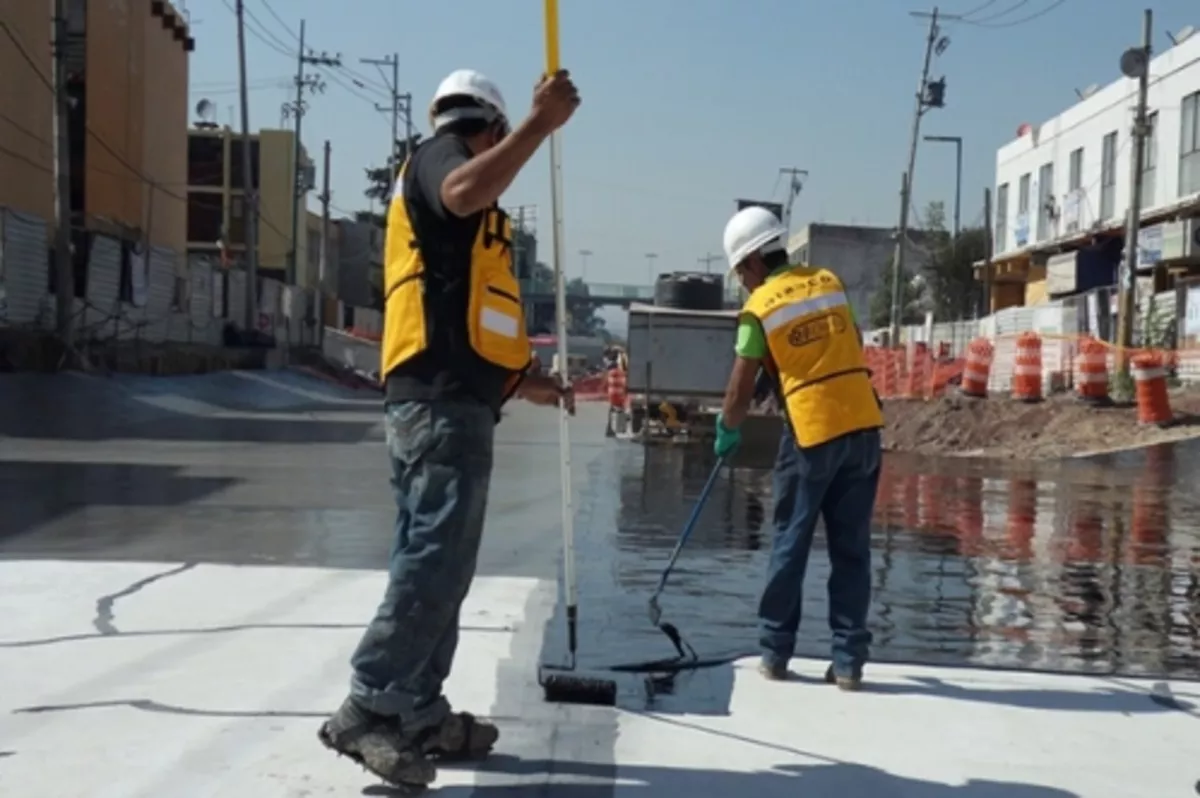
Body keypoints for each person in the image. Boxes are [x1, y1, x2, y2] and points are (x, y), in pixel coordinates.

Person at [318, 67, 581, 789]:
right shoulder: (443, 159)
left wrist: (532, 381)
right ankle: (371, 704)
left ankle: (418, 710)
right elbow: (466, 190)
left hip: (449, 398)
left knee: (443, 561)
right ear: (487, 127)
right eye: (504, 138)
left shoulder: (459, 215)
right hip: (436, 405)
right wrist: (542, 124)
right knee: (436, 559)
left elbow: (466, 323)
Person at [713, 206, 883, 692]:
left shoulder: (759, 307)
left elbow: (740, 385)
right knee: (852, 549)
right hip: (865, 427)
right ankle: (849, 663)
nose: (742, 283)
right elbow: (850, 340)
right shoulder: (829, 281)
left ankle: (774, 653)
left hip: (811, 434)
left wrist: (728, 429)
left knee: (790, 543)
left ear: (751, 264)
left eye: (740, 273)